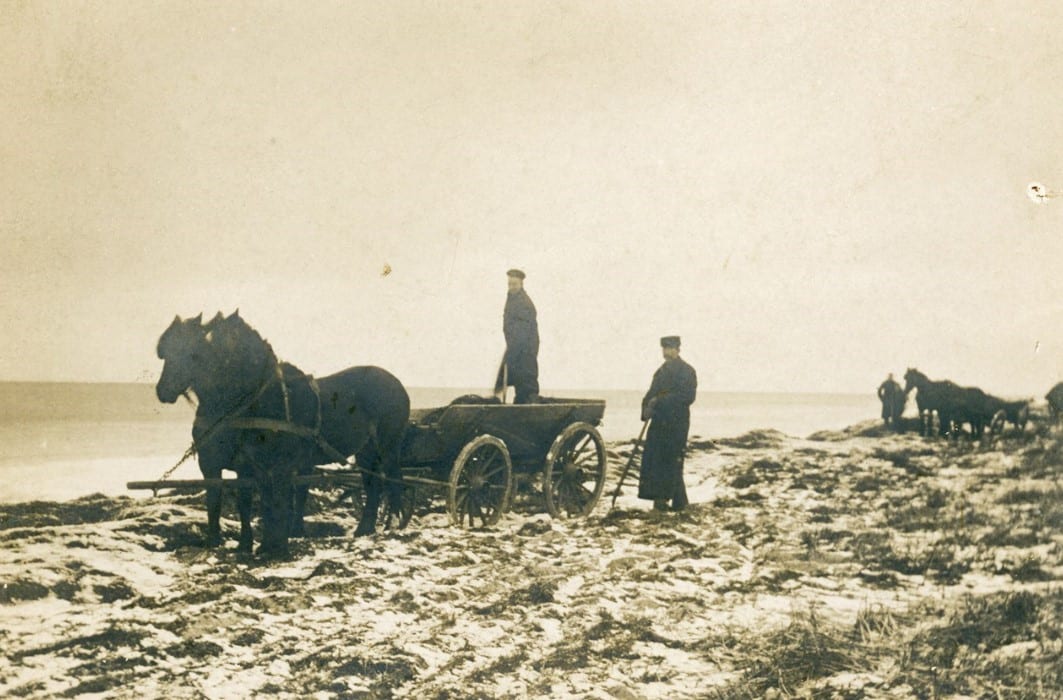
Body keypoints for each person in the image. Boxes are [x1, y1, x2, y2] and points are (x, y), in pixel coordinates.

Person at [638, 336, 697, 512]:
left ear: (678, 349)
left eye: (670, 348)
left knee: (673, 461)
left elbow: (687, 396)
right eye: (664, 348)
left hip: (676, 423)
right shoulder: (661, 372)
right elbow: (651, 393)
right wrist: (645, 408)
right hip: (658, 423)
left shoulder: (687, 371)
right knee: (656, 460)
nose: (666, 352)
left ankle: (676, 503)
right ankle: (664, 501)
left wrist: (659, 400)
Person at [494, 268, 539, 404]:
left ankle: (529, 406)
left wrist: (512, 352)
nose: (511, 287)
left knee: (526, 378)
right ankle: (521, 405)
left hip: (525, 348)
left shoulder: (524, 303)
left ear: (521, 284)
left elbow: (523, 332)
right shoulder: (512, 299)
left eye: (514, 284)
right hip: (516, 345)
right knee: (520, 379)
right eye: (509, 284)